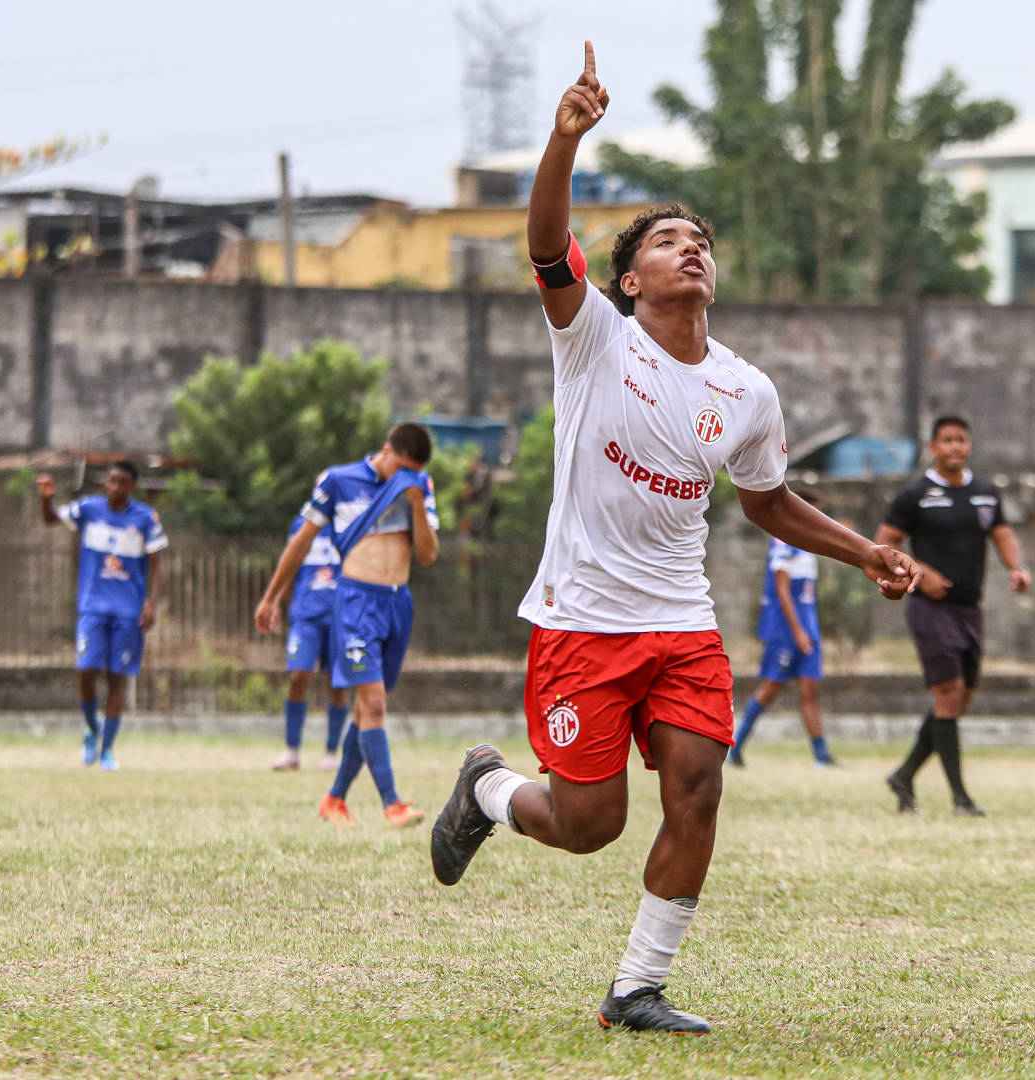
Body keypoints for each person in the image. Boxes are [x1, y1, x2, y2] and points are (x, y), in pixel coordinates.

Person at [425, 40, 917, 1037]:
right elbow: (546, 245)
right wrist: (564, 141)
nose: (691, 248)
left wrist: (863, 549)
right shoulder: (594, 340)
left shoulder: (746, 390)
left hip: (681, 624)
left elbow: (769, 503)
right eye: (666, 241)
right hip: (583, 622)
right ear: (630, 278)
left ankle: (636, 989)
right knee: (587, 823)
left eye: (700, 239)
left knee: (698, 788)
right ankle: (489, 790)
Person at [254, 423, 439, 829]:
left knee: (364, 710)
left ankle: (334, 798)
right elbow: (300, 542)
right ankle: (393, 804)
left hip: (397, 604)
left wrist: (417, 503)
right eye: (403, 469)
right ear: (387, 450)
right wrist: (271, 597)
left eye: (414, 472)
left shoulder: (418, 487)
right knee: (374, 703)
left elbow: (427, 555)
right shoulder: (338, 481)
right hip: (355, 602)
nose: (406, 477)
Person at [876, 416, 1031, 817]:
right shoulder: (915, 495)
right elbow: (884, 543)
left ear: (969, 446)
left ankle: (904, 774)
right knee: (948, 693)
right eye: (946, 440)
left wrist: (1016, 567)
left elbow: (1002, 533)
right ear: (933, 447)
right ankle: (961, 799)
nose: (954, 447)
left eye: (961, 440)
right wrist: (919, 574)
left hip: (969, 609)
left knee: (958, 699)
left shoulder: (984, 493)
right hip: (930, 609)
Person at [36, 462, 166, 770]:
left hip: (128, 611)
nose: (114, 487)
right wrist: (46, 498)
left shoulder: (146, 518)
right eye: (110, 481)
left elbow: (157, 562)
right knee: (86, 669)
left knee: (117, 678)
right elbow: (51, 519)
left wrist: (151, 602)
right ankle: (92, 729)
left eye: (121, 482)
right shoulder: (89, 509)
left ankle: (107, 750)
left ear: (131, 486)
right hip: (93, 607)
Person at [730, 492, 835, 768]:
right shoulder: (784, 542)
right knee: (771, 687)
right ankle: (736, 746)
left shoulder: (810, 546)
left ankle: (821, 755)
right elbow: (782, 590)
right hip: (786, 630)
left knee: (810, 689)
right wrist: (798, 631)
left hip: (807, 627)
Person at [270, 514, 350, 771]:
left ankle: (331, 753)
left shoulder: (351, 523)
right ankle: (292, 751)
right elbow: (289, 566)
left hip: (341, 615)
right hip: (305, 615)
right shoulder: (300, 525)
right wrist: (276, 602)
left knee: (337, 683)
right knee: (298, 675)